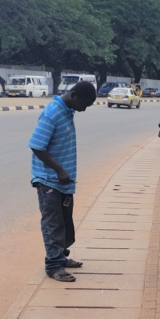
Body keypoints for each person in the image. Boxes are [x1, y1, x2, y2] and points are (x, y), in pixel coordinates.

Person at [29, 81, 97, 282]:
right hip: (49, 180)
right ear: (74, 95)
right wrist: (59, 169)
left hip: (64, 182)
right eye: (84, 104)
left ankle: (60, 257)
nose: (84, 109)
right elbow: (36, 145)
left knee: (65, 222)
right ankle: (53, 266)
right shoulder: (52, 114)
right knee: (53, 223)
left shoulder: (67, 109)